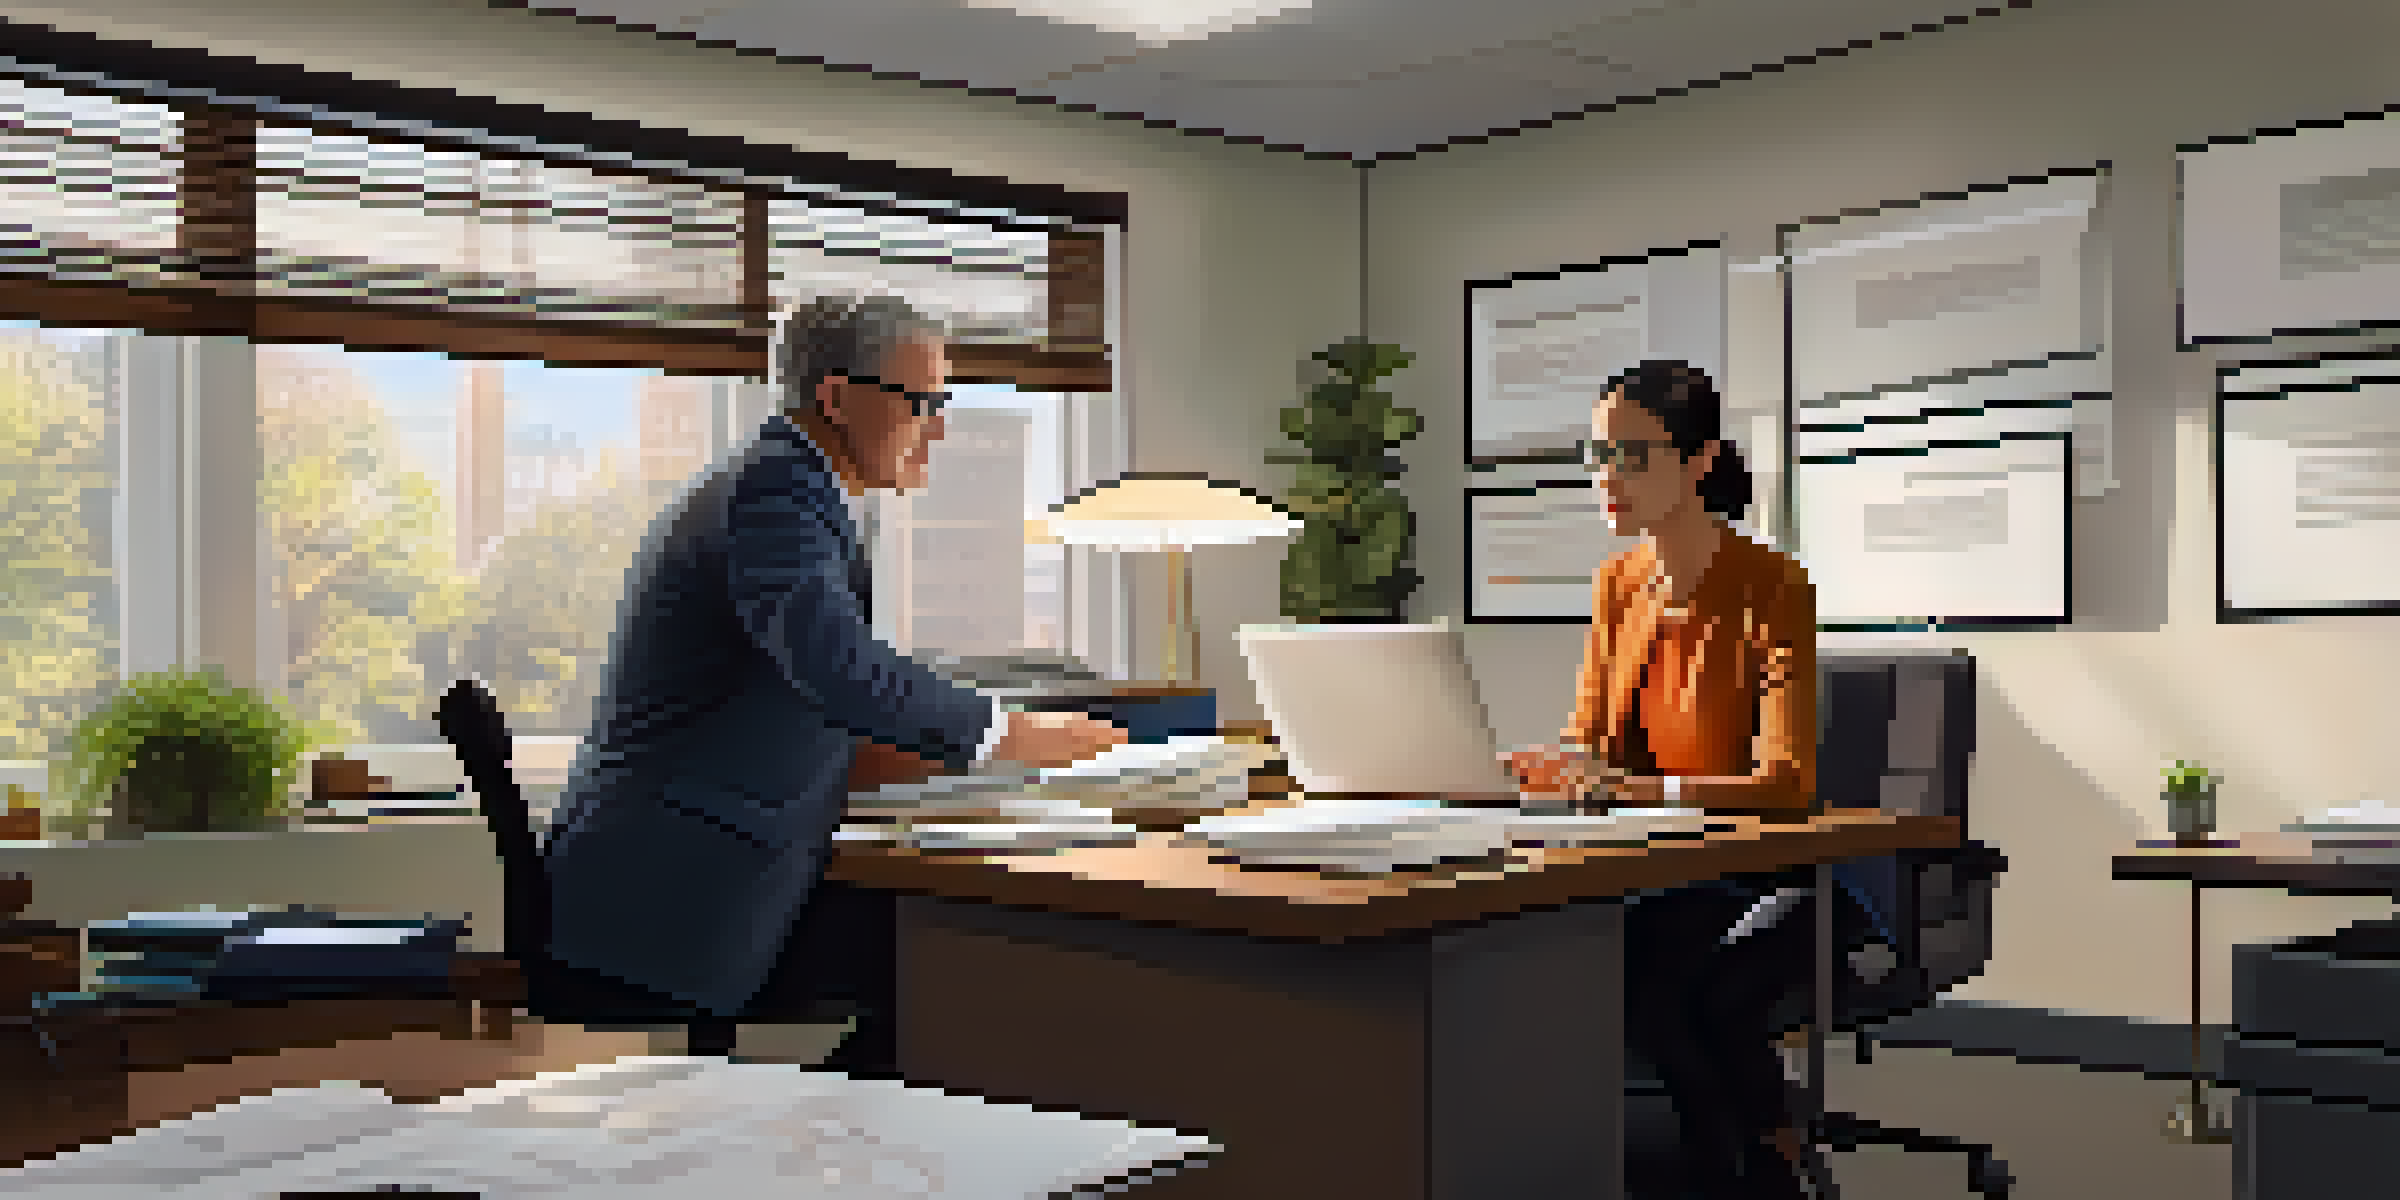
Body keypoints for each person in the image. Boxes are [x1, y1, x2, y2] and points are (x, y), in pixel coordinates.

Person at [539, 295, 1128, 1074]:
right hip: (674, 890)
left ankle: (809, 1145)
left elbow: (804, 702)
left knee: (953, 960)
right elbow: (838, 669)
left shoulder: (788, 489)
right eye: (922, 403)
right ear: (838, 398)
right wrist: (1016, 735)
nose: (939, 429)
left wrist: (982, 762)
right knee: (967, 961)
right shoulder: (776, 495)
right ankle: (812, 1152)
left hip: (686, 863)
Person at [1500, 360, 1864, 1199]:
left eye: (1634, 454)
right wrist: (1556, 767)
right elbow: (1588, 734)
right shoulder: (1617, 585)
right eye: (1598, 454)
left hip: (1768, 872)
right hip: (1663, 868)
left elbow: (1784, 780)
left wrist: (1649, 792)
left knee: (1679, 998)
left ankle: (1755, 1165)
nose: (1609, 476)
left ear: (1699, 462)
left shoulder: (1771, 587)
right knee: (1595, 974)